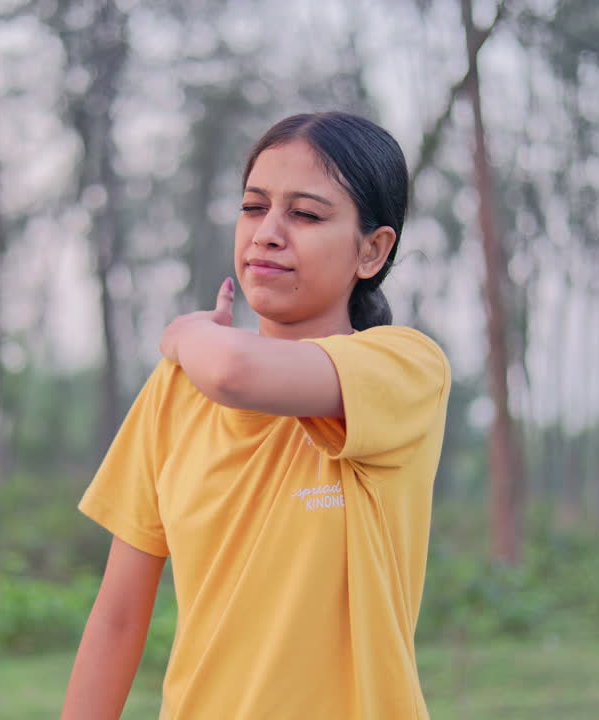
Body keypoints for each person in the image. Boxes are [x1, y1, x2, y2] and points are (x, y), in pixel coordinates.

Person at [60, 111, 451, 719]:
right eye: (253, 207)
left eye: (306, 214)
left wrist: (182, 332)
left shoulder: (404, 369)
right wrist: (187, 348)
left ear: (372, 251)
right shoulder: (176, 390)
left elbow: (236, 374)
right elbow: (117, 616)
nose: (267, 232)